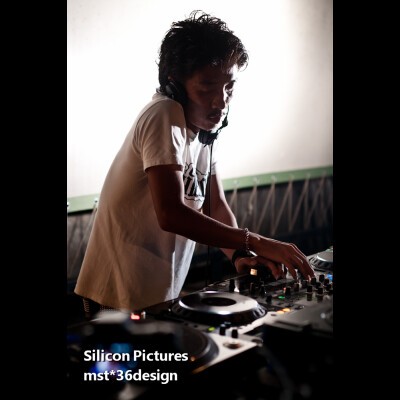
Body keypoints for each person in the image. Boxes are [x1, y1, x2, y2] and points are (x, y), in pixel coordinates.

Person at [74, 10, 315, 316]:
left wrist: (239, 254)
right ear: (175, 85)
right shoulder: (163, 114)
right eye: (207, 87)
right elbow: (171, 214)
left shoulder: (204, 133)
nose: (221, 101)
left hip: (154, 296)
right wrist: (256, 241)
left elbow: (214, 205)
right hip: (115, 295)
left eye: (229, 88)